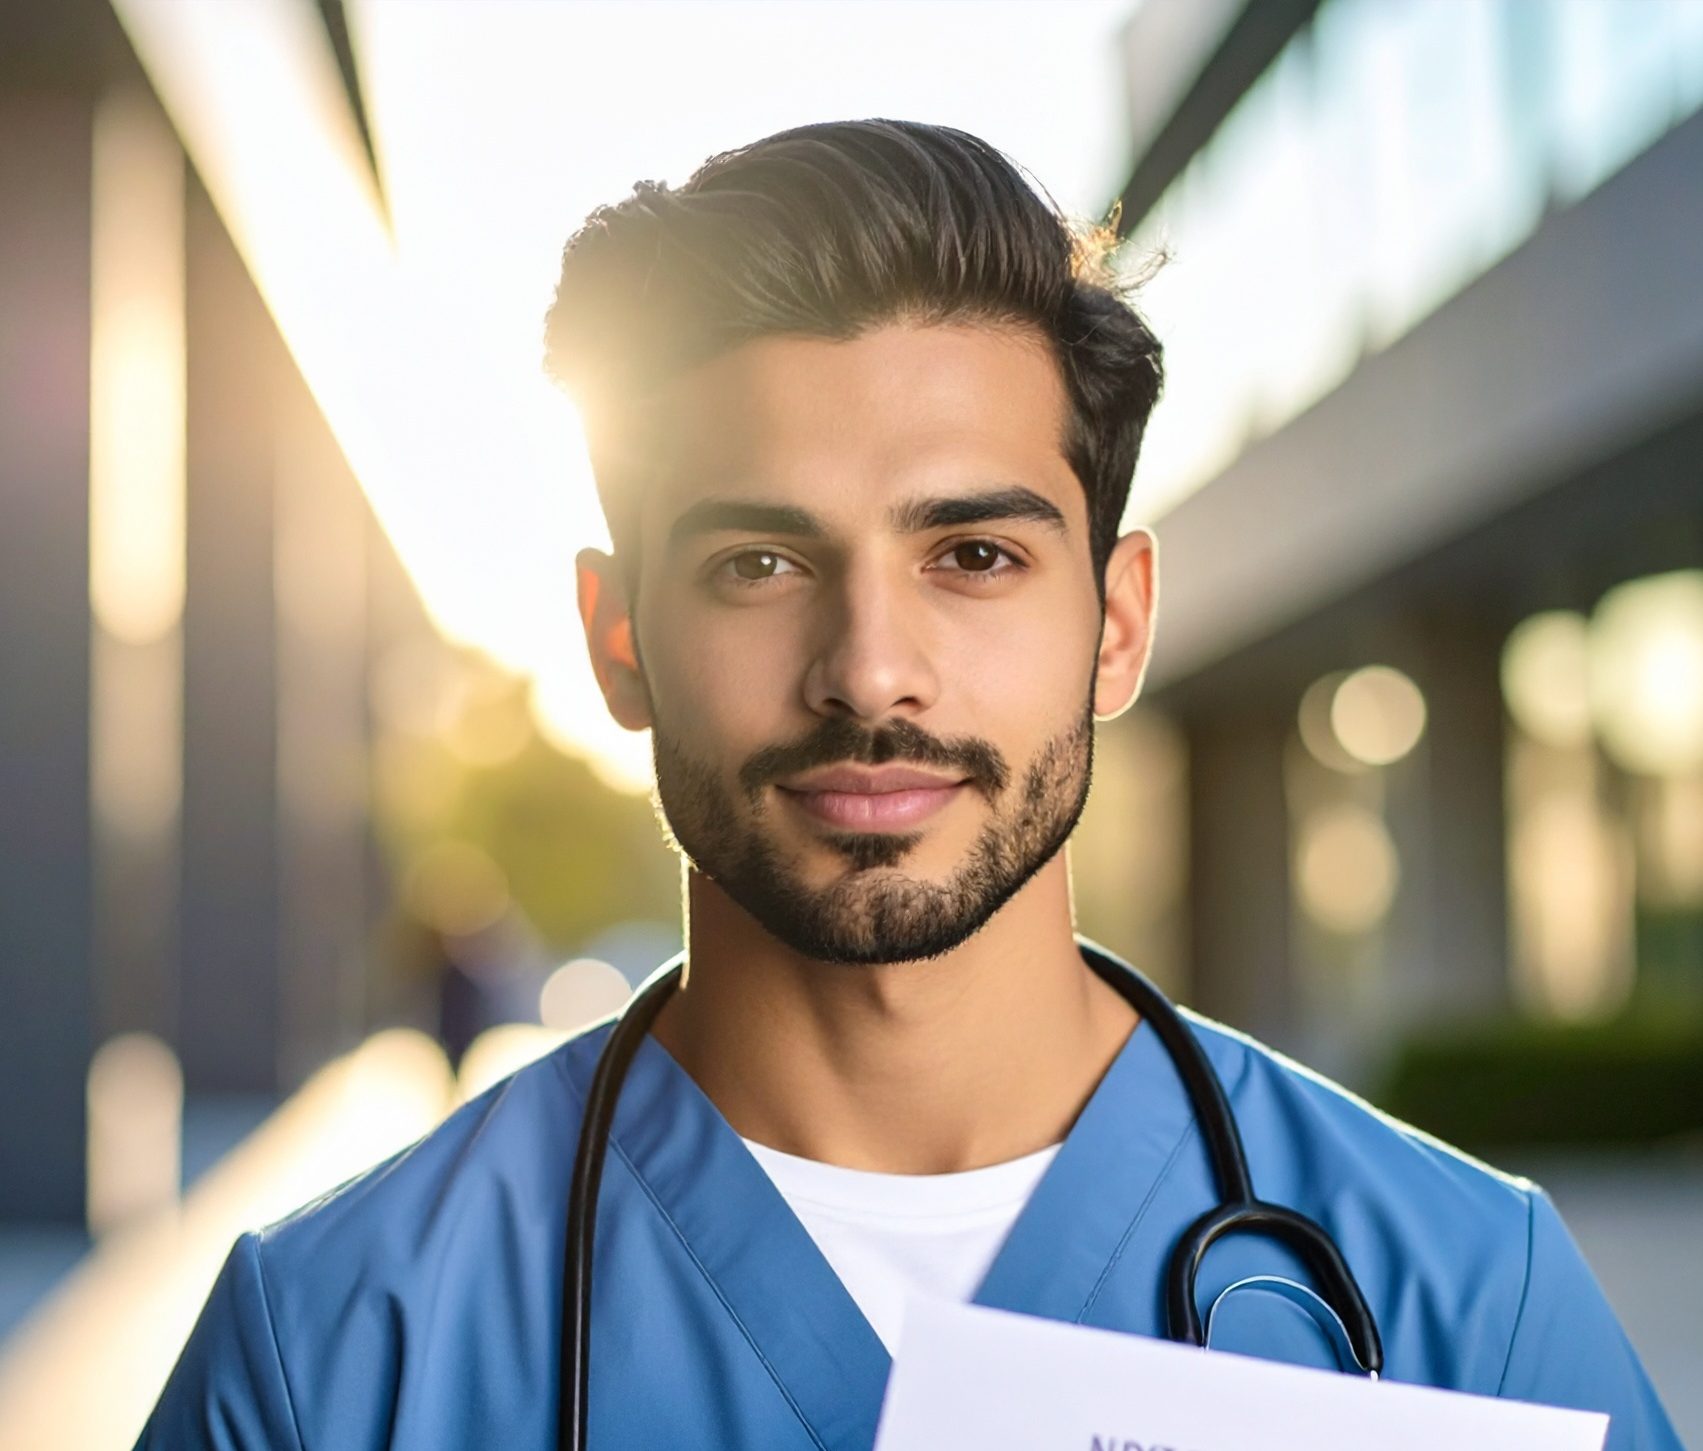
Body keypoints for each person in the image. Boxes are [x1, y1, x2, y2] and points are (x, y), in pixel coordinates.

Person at [135, 119, 1682, 1450]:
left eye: (975, 556)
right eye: (758, 562)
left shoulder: (1465, 1305)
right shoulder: (332, 1353)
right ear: (618, 642)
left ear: (1117, 622)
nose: (871, 670)